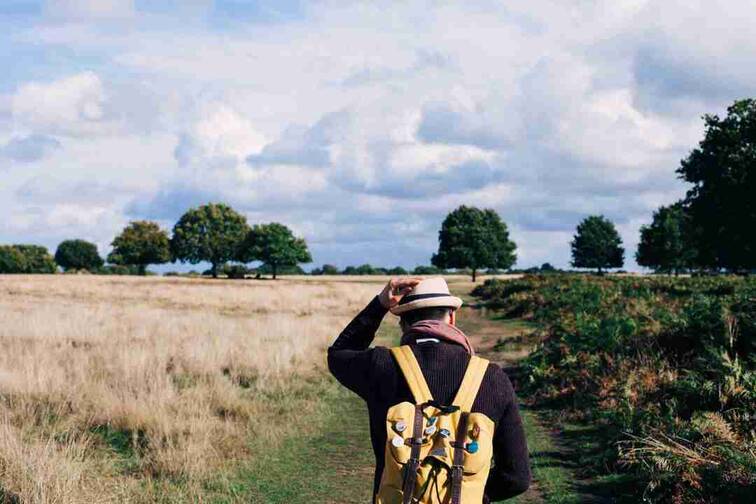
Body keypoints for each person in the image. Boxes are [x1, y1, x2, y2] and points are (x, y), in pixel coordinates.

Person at [328, 276, 531, 503]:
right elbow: (517, 478)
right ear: (451, 317)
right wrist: (467, 491)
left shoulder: (382, 365)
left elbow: (339, 355)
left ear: (403, 323)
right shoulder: (492, 377)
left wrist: (380, 305)